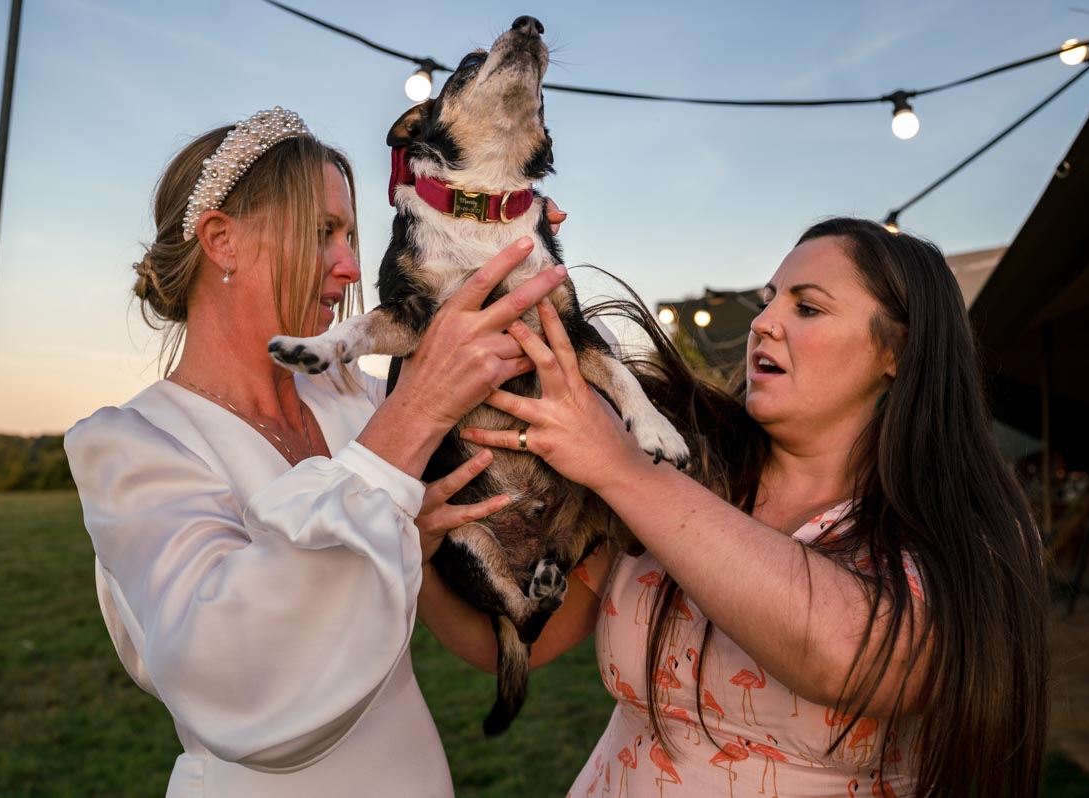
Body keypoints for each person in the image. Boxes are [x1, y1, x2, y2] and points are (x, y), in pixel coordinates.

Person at [420, 218, 1049, 797]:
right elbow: (518, 642)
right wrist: (422, 560)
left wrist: (620, 467)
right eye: (768, 299)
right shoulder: (688, 461)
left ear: (897, 352)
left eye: (806, 307)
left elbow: (856, 659)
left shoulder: (961, 526)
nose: (763, 322)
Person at [64, 106, 569, 797]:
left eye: (354, 235)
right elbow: (230, 667)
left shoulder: (356, 401)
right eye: (324, 232)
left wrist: (505, 252)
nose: (351, 266)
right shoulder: (131, 446)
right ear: (222, 240)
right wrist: (415, 410)